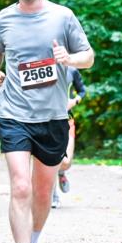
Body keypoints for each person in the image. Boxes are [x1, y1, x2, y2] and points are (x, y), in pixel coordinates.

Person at [0, 0, 94, 243]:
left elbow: (88, 57)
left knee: (42, 192)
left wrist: (69, 58)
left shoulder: (63, 17)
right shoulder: (3, 18)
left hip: (53, 116)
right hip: (14, 112)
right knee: (20, 186)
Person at [51, 66, 87, 208]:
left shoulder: (72, 71)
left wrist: (74, 101)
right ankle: (53, 196)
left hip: (67, 120)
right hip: (48, 121)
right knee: (52, 159)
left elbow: (82, 91)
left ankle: (61, 172)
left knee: (65, 162)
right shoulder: (43, 69)